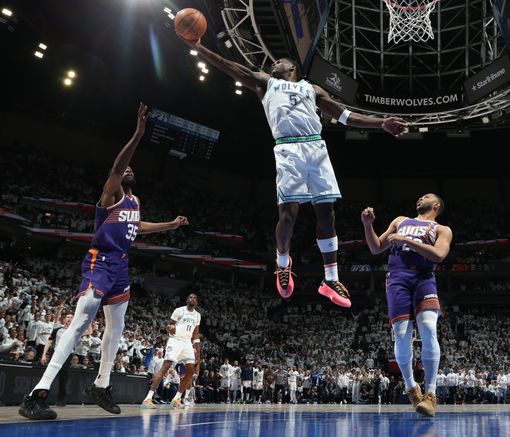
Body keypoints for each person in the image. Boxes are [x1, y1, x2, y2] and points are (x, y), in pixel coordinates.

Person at [181, 35, 409, 308]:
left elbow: (345, 115)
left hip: (316, 149)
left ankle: (330, 279)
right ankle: (282, 262)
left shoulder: (312, 89)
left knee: (326, 214)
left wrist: (381, 122)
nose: (274, 63)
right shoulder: (266, 83)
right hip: (288, 150)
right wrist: (198, 46)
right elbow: (227, 65)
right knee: (288, 216)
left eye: (279, 60)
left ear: (292, 68)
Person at [19, 103, 189, 420]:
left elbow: (137, 227)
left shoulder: (135, 201)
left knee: (117, 328)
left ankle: (102, 384)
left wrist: (169, 225)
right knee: (81, 321)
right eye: (124, 169)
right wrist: (139, 134)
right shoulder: (110, 195)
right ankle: (37, 393)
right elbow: (116, 166)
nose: (128, 169)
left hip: (121, 266)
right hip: (100, 261)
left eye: (131, 169)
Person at [361, 193, 453, 417]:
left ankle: (430, 394)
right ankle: (412, 387)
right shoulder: (400, 220)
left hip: (423, 277)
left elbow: (439, 254)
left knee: (429, 329)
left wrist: (407, 241)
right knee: (401, 334)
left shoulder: (442, 229)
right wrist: (367, 225)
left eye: (427, 196)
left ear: (436, 205)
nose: (421, 197)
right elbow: (376, 247)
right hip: (397, 278)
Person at [141, 293, 202, 409]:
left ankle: (176, 399)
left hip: (187, 343)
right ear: (187, 300)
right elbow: (169, 326)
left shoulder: (198, 315)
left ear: (197, 301)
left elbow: (196, 334)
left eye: (194, 298)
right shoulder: (179, 311)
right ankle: (147, 398)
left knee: (190, 372)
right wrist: (170, 328)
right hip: (175, 341)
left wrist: (198, 352)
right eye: (190, 297)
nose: (192, 299)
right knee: (165, 368)